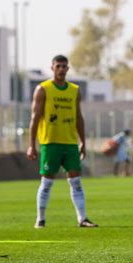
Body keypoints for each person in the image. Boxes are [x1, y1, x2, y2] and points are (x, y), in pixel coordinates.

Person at [27, 55, 97, 229]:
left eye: (64, 66)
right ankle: (40, 219)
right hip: (51, 142)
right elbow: (34, 118)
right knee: (47, 182)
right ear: (52, 68)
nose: (61, 69)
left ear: (68, 69)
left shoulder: (74, 90)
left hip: (70, 143)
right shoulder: (43, 89)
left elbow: (78, 118)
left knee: (76, 181)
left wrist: (83, 141)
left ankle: (82, 218)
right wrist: (31, 145)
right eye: (58, 66)